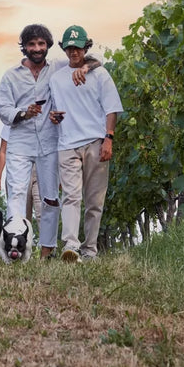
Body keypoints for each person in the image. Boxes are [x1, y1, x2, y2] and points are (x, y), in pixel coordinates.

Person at [0, 24, 94, 259]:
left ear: (49, 46)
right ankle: (16, 249)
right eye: (31, 44)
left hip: (50, 141)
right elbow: (3, 110)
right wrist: (23, 113)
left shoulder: (59, 67)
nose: (37, 48)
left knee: (50, 197)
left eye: (41, 44)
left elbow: (94, 59)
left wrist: (87, 66)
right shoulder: (11, 76)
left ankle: (46, 251)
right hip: (20, 142)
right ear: (25, 47)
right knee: (17, 193)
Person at [49, 25, 123, 263]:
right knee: (71, 197)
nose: (73, 52)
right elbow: (55, 107)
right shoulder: (56, 78)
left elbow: (112, 108)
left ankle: (90, 250)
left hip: (95, 141)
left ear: (85, 48)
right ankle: (70, 245)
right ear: (64, 48)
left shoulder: (100, 74)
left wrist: (108, 139)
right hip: (67, 144)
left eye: (78, 47)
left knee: (94, 200)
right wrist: (53, 115)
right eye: (69, 47)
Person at [0, 124, 41, 223]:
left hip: (41, 170)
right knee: (20, 216)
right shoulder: (13, 119)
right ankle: (19, 237)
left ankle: (47, 239)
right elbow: (3, 151)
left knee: (43, 213)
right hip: (18, 170)